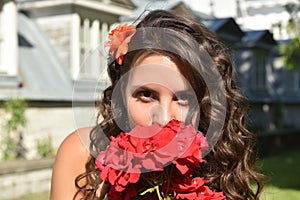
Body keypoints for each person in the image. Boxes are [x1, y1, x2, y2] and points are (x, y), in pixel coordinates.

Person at [50, 10, 265, 200]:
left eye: (183, 98)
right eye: (146, 95)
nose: (163, 118)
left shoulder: (215, 165)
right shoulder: (85, 154)